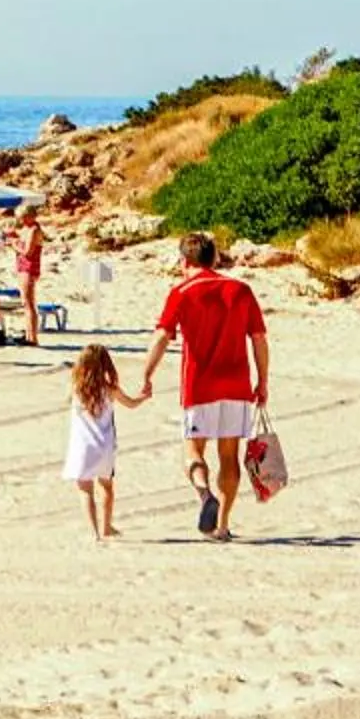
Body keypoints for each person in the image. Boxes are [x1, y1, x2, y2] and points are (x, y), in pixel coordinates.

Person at [139, 230, 272, 541]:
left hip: (199, 386)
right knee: (230, 455)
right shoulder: (241, 290)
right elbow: (259, 340)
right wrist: (262, 380)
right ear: (214, 258)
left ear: (185, 261)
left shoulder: (182, 292)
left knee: (193, 451)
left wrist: (147, 374)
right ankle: (222, 525)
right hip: (237, 383)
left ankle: (204, 495)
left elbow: (162, 336)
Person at [63, 343, 152, 539]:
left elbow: (68, 401)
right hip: (105, 446)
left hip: (83, 446)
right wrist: (144, 397)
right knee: (107, 487)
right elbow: (131, 403)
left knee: (85, 489)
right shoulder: (110, 389)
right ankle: (106, 526)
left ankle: (94, 532)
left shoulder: (77, 389)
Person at [7, 206, 47, 345]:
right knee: (25, 302)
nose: (20, 220)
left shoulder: (34, 230)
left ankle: (33, 338)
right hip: (23, 267)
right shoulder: (26, 229)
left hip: (29, 267)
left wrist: (14, 245)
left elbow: (28, 252)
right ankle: (29, 335)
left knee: (29, 303)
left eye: (22, 217)